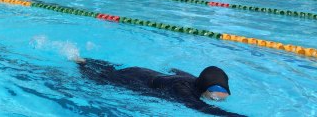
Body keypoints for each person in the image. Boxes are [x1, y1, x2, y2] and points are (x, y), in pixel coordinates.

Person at [77, 59, 243, 116]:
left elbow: (178, 70)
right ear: (204, 88)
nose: (219, 99)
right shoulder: (182, 89)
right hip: (134, 78)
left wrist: (172, 69)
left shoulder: (197, 81)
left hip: (147, 72)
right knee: (96, 78)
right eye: (214, 97)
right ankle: (80, 62)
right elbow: (198, 107)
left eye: (224, 94)